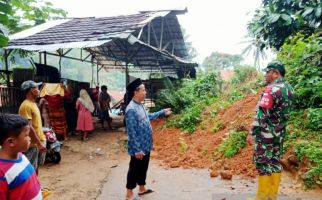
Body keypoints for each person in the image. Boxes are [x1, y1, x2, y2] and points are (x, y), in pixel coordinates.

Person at [249, 61, 294, 199]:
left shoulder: (271, 89)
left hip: (265, 135)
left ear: (275, 73)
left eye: (267, 72)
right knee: (275, 162)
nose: (265, 75)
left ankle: (261, 197)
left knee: (263, 163)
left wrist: (251, 133)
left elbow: (262, 116)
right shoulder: (290, 89)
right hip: (279, 135)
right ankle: (272, 196)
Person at [124, 78, 172, 200]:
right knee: (134, 169)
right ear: (136, 92)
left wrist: (162, 112)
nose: (146, 92)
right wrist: (137, 149)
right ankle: (129, 194)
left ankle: (142, 188)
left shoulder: (140, 106)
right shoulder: (131, 109)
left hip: (146, 144)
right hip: (138, 147)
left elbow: (148, 116)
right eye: (143, 90)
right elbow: (132, 132)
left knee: (143, 167)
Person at [0, 113, 43, 199]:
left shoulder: (21, 156)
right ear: (11, 142)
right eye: (26, 135)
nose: (30, 138)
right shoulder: (2, 173)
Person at [19, 80, 47, 173]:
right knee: (30, 170)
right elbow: (28, 127)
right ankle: (32, 187)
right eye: (37, 88)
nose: (39, 90)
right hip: (32, 144)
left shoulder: (33, 104)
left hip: (37, 141)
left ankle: (36, 186)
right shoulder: (25, 106)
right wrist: (38, 143)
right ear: (31, 90)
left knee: (35, 168)